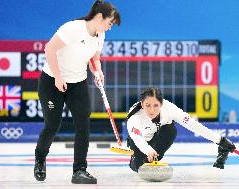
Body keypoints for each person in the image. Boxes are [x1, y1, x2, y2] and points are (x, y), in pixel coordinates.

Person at [34, 0, 121, 184]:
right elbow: (49, 49)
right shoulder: (72, 28)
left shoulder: (100, 35)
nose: (110, 27)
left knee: (83, 124)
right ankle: (40, 160)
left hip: (78, 83)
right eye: (110, 23)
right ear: (99, 17)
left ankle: (79, 170)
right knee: (52, 125)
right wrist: (58, 77)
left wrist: (98, 72)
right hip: (52, 81)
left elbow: (94, 59)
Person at [126, 87, 236, 172]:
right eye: (147, 105)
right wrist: (148, 150)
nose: (152, 110)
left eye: (156, 105)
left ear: (161, 104)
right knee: (137, 167)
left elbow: (193, 125)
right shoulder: (134, 117)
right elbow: (138, 139)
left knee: (171, 130)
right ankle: (136, 160)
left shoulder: (170, 108)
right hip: (140, 142)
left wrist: (219, 140)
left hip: (157, 136)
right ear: (142, 104)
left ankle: (153, 158)